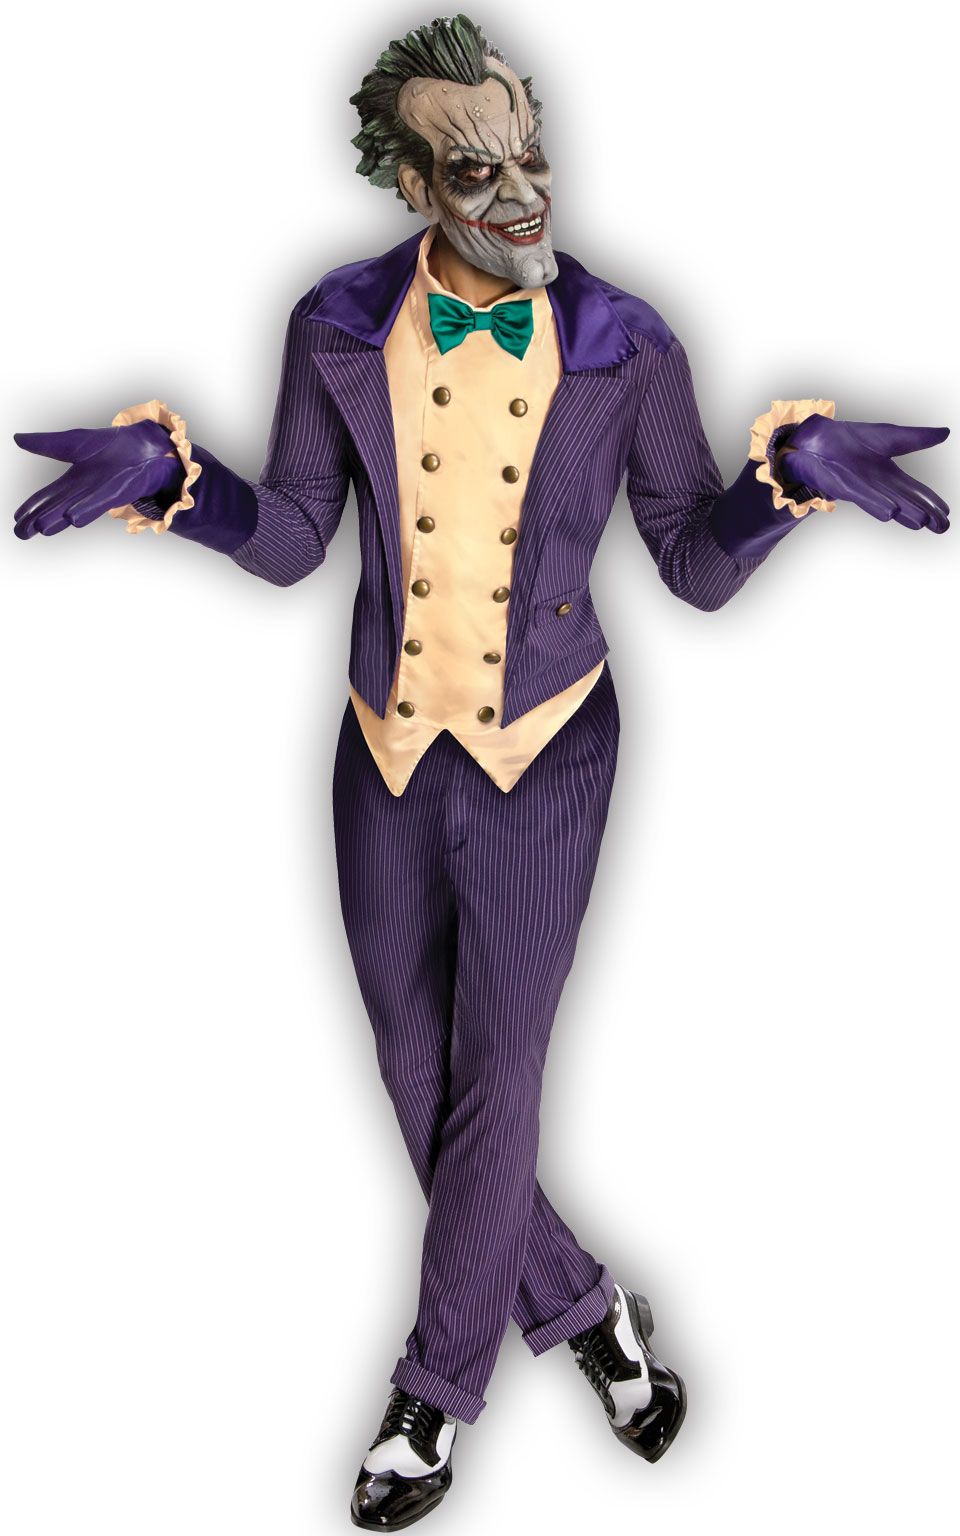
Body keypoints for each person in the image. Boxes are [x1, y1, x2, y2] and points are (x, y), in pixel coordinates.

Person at [12, 14, 949, 1531]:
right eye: (473, 170)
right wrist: (178, 488)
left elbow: (691, 568)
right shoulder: (333, 325)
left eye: (532, 156)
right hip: (380, 753)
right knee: (420, 1084)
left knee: (496, 1080)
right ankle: (587, 1313)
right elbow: (297, 541)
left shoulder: (628, 343)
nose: (521, 195)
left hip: (547, 754)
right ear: (408, 183)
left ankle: (432, 1399)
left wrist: (785, 489)